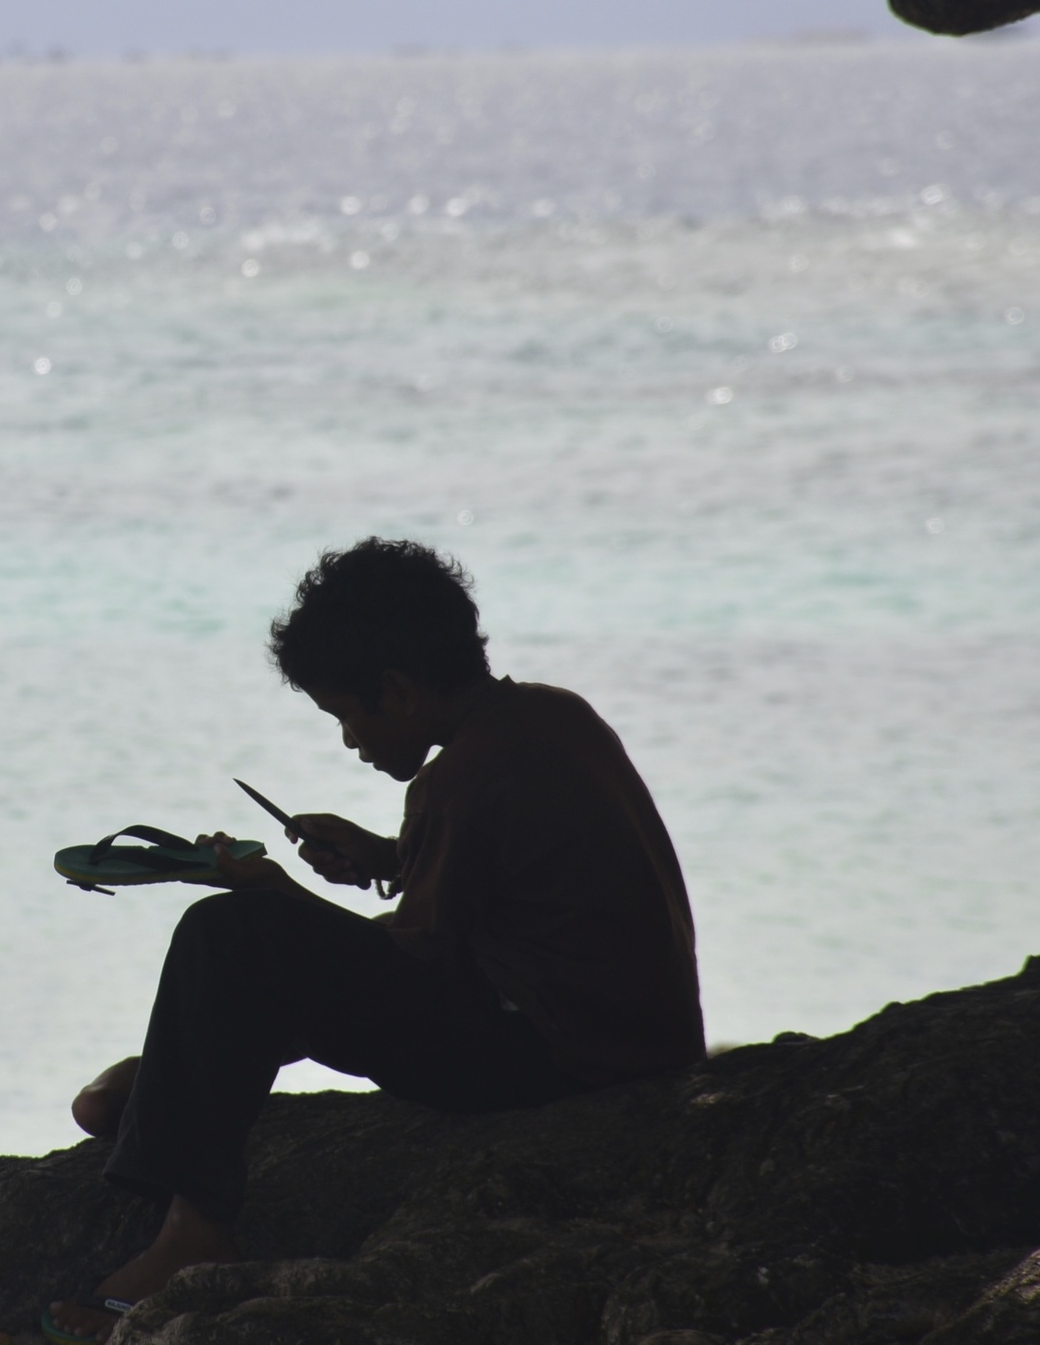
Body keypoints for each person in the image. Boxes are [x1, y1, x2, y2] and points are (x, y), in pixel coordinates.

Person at [41, 537, 706, 1344]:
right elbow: (513, 878)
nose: (350, 739)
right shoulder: (550, 715)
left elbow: (416, 962)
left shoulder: (453, 785)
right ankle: (181, 1092)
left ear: (398, 691)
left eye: (347, 715)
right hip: (630, 1036)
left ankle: (193, 1231)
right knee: (265, 950)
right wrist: (391, 857)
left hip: (556, 1059)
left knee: (231, 934)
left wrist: (279, 898)